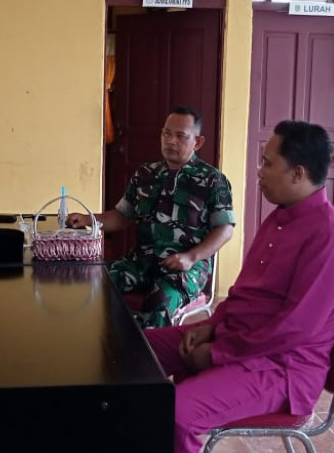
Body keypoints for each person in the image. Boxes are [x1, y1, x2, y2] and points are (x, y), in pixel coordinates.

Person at [143, 121, 334, 453]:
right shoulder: (279, 218)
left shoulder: (331, 237)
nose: (259, 172)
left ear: (298, 173)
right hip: (240, 342)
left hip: (282, 368)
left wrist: (217, 354)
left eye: (268, 163)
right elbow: (245, 293)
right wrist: (212, 325)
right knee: (133, 351)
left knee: (178, 414)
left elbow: (294, 329)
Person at [66, 106, 234, 328]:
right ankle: (110, 344)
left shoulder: (213, 180)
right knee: (94, 281)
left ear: (198, 142)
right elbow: (121, 215)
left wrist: (191, 257)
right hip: (142, 262)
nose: (171, 141)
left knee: (159, 302)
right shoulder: (146, 174)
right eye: (167, 133)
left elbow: (225, 229)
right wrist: (88, 219)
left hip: (185, 268)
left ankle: (150, 351)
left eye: (181, 136)